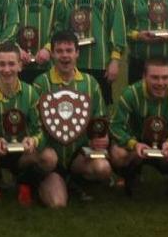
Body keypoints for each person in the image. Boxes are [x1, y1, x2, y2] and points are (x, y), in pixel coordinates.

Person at [33, 31, 111, 208]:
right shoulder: (40, 83)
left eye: (69, 50)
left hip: (79, 155)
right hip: (52, 155)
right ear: (52, 54)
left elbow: (100, 119)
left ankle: (76, 181)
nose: (65, 56)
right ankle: (43, 181)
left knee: (103, 169)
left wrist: (101, 136)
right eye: (59, 51)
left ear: (77, 53)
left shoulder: (90, 83)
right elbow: (34, 123)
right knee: (57, 204)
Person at [53, 0, 125, 105]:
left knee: (100, 114)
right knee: (71, 111)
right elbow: (58, 26)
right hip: (71, 64)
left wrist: (115, 59)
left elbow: (118, 26)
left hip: (101, 63)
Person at [110, 57, 168, 197]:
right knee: (117, 153)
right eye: (155, 78)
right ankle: (131, 178)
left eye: (165, 78)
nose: (160, 83)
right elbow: (115, 126)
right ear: (144, 77)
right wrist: (133, 144)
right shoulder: (130, 93)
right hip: (138, 146)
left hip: (167, 146)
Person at [0, 42, 43, 207]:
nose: (6, 69)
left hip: (23, 151)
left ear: (20, 66)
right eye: (1, 64)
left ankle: (24, 183)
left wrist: (34, 140)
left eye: (11, 64)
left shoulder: (31, 93)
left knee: (49, 157)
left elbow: (41, 129)